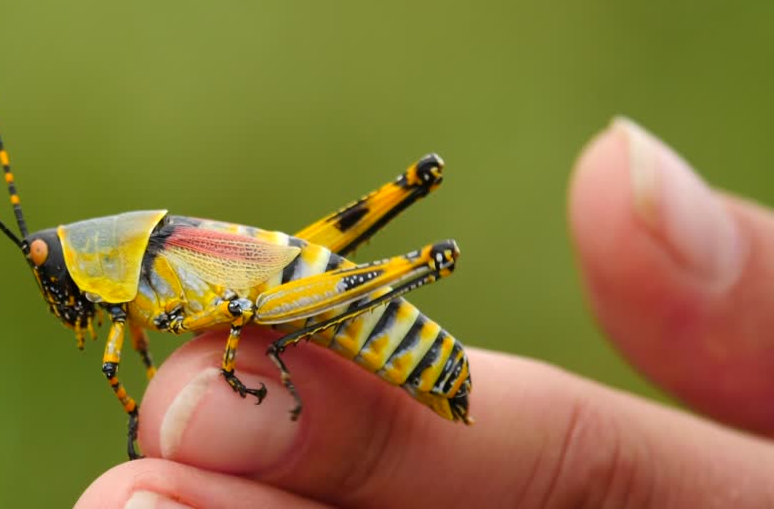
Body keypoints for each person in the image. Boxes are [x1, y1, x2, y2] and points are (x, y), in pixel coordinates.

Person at [76, 118, 774, 508]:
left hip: (323, 306)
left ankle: (413, 273)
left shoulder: (160, 261)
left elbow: (234, 309)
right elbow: (152, 339)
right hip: (295, 294)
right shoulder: (135, 298)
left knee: (253, 309)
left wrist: (240, 353)